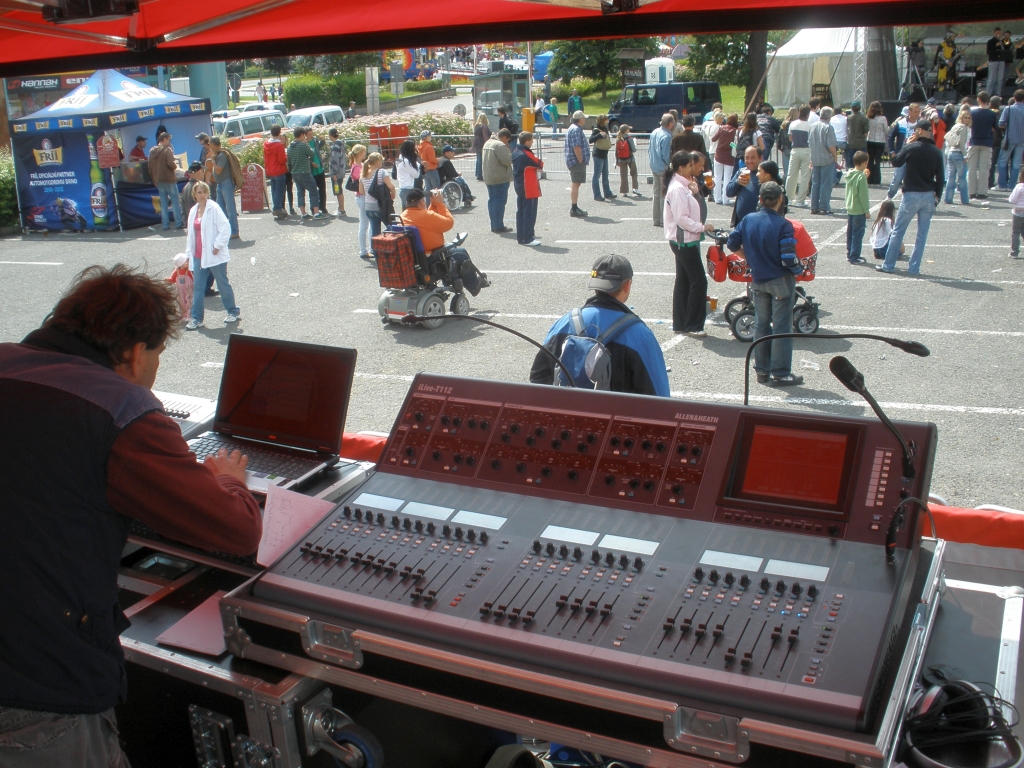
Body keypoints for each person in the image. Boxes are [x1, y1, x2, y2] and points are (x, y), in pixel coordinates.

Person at [0, 265, 261, 768]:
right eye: (159, 354)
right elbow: (238, 530)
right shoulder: (121, 408)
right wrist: (227, 479)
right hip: (37, 687)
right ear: (135, 351)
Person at [529, 255, 670, 397]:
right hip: (613, 417)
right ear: (628, 285)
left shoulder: (564, 323)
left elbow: (538, 376)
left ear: (593, 283)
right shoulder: (639, 335)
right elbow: (658, 396)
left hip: (566, 415)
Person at [726, 181, 803, 387]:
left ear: (760, 199)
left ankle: (761, 370)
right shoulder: (784, 225)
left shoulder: (749, 219)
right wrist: (798, 269)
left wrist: (748, 258)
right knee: (781, 328)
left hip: (758, 280)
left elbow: (732, 242)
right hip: (781, 281)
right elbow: (788, 257)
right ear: (780, 200)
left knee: (761, 325)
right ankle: (780, 372)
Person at [878, 119, 945, 276]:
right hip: (929, 195)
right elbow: (940, 177)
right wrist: (938, 197)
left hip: (911, 195)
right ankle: (914, 268)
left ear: (920, 131)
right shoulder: (936, 151)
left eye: (916, 130)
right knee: (922, 235)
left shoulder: (912, 147)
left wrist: (905, 145)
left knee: (898, 231)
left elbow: (896, 162)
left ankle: (888, 265)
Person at [664, 151, 715, 335]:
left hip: (684, 240)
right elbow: (682, 219)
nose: (696, 169)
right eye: (691, 166)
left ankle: (681, 322)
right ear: (682, 167)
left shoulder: (684, 184)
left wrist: (697, 193)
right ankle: (693, 324)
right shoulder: (678, 187)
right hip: (683, 240)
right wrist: (702, 227)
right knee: (698, 281)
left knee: (684, 280)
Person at [400, 188, 486, 294]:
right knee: (461, 253)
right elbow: (448, 223)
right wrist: (440, 203)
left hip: (413, 261)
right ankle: (474, 286)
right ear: (422, 202)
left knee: (449, 254)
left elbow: (428, 219)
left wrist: (433, 205)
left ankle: (454, 282)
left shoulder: (403, 217)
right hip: (430, 260)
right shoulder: (426, 216)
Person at [186, 181, 240, 329]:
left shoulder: (214, 208)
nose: (202, 195)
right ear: (194, 195)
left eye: (204, 192)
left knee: (222, 284)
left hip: (214, 255)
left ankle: (232, 311)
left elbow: (225, 228)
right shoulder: (193, 211)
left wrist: (217, 245)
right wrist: (187, 255)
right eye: (199, 192)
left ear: (208, 193)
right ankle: (197, 318)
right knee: (198, 287)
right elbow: (190, 235)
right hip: (198, 256)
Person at [511, 131, 543, 247]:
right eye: (531, 140)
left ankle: (521, 237)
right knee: (529, 212)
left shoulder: (515, 152)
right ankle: (528, 237)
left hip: (520, 185)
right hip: (528, 186)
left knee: (521, 212)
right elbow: (539, 163)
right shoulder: (525, 154)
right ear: (526, 141)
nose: (532, 142)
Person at [286, 128, 325, 220]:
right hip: (305, 172)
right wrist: (307, 145)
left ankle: (303, 213)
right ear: (301, 135)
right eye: (303, 135)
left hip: (295, 172)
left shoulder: (289, 147)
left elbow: (289, 161)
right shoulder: (303, 145)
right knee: (313, 191)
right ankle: (316, 213)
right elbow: (312, 154)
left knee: (300, 192)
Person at [361, 152, 395, 254]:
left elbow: (361, 191)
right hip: (381, 205)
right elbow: (390, 186)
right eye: (381, 160)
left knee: (375, 232)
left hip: (368, 206)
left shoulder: (363, 173)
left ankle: (376, 254)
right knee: (391, 227)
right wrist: (393, 193)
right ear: (377, 161)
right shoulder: (381, 172)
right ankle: (393, 250)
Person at [149, 132, 183, 231]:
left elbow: (149, 167)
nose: (169, 142)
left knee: (163, 203)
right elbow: (171, 164)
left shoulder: (152, 151)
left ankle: (165, 225)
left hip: (158, 180)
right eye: (168, 139)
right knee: (175, 201)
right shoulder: (167, 150)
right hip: (169, 178)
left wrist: (154, 179)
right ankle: (178, 223)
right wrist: (175, 166)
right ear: (164, 139)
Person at [887, 103, 921, 199]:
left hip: (915, 157)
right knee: (897, 179)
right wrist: (892, 152)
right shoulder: (901, 123)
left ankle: (907, 198)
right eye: (915, 111)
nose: (917, 113)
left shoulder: (921, 124)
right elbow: (890, 137)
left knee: (911, 179)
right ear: (909, 112)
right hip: (902, 155)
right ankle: (889, 197)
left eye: (918, 111)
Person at [482, 127, 514, 232]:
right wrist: (508, 150)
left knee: (492, 201)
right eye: (507, 140)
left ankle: (494, 224)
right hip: (500, 177)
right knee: (499, 202)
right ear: (504, 137)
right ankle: (498, 225)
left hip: (489, 176)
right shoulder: (500, 145)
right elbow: (508, 161)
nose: (507, 142)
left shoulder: (488, 143)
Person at [808, 107, 837, 214]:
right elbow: (831, 145)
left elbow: (810, 143)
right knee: (826, 183)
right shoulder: (828, 127)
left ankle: (814, 206)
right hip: (826, 158)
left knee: (815, 183)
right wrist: (835, 156)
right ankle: (824, 206)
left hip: (815, 157)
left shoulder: (813, 126)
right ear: (829, 116)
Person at [969, 91, 998, 198]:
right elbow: (995, 128)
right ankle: (981, 192)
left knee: (972, 168)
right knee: (984, 169)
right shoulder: (992, 114)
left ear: (979, 99)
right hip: (986, 142)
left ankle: (971, 191)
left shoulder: (973, 113)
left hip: (974, 141)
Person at [726, 145, 762, 226]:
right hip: (740, 223)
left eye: (753, 158)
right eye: (747, 158)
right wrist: (737, 182)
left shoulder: (764, 173)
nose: (749, 161)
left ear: (760, 158)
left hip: (757, 224)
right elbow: (729, 192)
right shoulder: (742, 171)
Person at [845, 151, 871, 264]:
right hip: (859, 210)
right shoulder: (861, 177)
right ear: (864, 163)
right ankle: (854, 257)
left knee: (850, 233)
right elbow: (863, 196)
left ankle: (850, 253)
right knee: (858, 235)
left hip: (850, 208)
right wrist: (867, 210)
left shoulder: (850, 174)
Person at [996, 89, 1024, 192]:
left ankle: (1002, 185)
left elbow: (1001, 124)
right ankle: (1012, 185)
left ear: (1014, 98)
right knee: (1016, 163)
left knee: (1003, 162)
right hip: (1022, 140)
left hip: (1009, 139)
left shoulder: (1008, 109)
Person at [650, 113, 676, 222]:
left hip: (654, 165)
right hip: (662, 167)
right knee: (663, 195)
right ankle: (662, 219)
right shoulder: (667, 136)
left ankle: (656, 218)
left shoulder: (654, 132)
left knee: (656, 194)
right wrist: (671, 164)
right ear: (670, 124)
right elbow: (665, 155)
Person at [565, 111, 591, 218]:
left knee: (576, 183)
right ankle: (574, 208)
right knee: (576, 183)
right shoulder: (576, 130)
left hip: (574, 160)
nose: (585, 120)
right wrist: (580, 160)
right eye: (584, 118)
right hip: (576, 161)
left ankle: (575, 207)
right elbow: (577, 146)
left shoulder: (573, 128)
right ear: (580, 119)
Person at [944, 110, 970, 205]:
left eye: (968, 118)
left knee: (951, 177)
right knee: (962, 177)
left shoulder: (955, 126)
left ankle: (948, 198)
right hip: (959, 153)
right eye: (965, 117)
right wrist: (965, 155)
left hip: (951, 152)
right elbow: (962, 143)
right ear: (961, 117)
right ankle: (965, 200)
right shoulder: (963, 127)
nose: (967, 119)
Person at [712, 114, 739, 206]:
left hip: (719, 154)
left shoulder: (721, 128)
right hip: (729, 156)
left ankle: (717, 198)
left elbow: (713, 139)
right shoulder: (735, 131)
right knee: (727, 177)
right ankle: (725, 199)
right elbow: (735, 145)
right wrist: (731, 144)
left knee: (717, 177)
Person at [348, 144, 370, 258]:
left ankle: (367, 249)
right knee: (364, 224)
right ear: (360, 153)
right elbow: (363, 180)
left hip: (362, 196)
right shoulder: (357, 167)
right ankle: (363, 250)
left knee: (366, 223)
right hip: (362, 196)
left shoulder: (359, 165)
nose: (365, 154)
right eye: (364, 152)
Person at [589, 114, 615, 201]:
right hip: (598, 154)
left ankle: (607, 192)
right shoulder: (596, 129)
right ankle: (597, 194)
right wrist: (599, 135)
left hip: (604, 153)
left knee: (605, 174)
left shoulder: (605, 128)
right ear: (602, 120)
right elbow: (591, 140)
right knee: (597, 175)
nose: (607, 121)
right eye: (606, 120)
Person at [264, 123, 288, 218]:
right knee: (279, 190)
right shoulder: (279, 145)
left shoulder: (266, 143)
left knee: (274, 190)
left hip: (271, 169)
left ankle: (276, 207)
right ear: (279, 132)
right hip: (279, 170)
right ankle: (277, 208)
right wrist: (286, 156)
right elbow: (282, 160)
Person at [866, 101, 889, 185]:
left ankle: (869, 178)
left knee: (870, 159)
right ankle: (876, 179)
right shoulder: (883, 118)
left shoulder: (868, 118)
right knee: (877, 160)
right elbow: (886, 131)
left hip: (870, 139)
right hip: (880, 140)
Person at [307, 128, 328, 219]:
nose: (311, 135)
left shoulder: (315, 140)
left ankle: (322, 206)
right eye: (309, 134)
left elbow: (318, 147)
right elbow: (305, 157)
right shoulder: (305, 144)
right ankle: (313, 208)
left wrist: (322, 141)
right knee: (313, 191)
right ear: (305, 135)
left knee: (322, 189)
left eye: (312, 133)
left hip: (320, 169)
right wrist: (311, 163)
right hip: (311, 170)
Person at [395, 138, 422, 210]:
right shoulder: (406, 162)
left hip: (403, 187)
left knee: (405, 209)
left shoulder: (400, 159)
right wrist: (418, 164)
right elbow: (416, 175)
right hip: (407, 188)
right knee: (410, 210)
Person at [615, 124, 639, 196]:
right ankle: (635, 189)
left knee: (623, 176)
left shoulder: (618, 139)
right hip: (630, 159)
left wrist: (617, 161)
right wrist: (635, 143)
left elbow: (616, 152)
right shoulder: (630, 138)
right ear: (626, 131)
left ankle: (624, 191)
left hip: (621, 159)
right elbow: (634, 150)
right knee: (634, 173)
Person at [328, 127, 347, 216]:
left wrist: (334, 173)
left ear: (331, 135)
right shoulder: (341, 144)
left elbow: (335, 160)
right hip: (342, 170)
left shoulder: (335, 146)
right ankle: (340, 208)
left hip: (337, 172)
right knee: (339, 189)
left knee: (338, 190)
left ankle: (341, 209)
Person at [847, 102, 869, 172]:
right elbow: (866, 133)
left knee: (852, 161)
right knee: (861, 161)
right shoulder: (864, 118)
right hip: (861, 142)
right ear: (859, 108)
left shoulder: (849, 118)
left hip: (851, 142)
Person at [777, 107, 798, 179]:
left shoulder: (784, 124)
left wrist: (779, 146)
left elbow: (779, 136)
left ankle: (785, 182)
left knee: (786, 169)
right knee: (793, 169)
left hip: (784, 147)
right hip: (793, 147)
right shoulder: (795, 124)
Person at [987, 27, 1007, 96]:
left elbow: (1005, 49)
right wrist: (996, 45)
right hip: (993, 61)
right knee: (992, 78)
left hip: (1001, 61)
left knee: (1000, 79)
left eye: (1000, 33)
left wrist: (1002, 42)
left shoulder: (1003, 41)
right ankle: (988, 94)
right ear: (994, 33)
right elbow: (988, 51)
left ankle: (998, 94)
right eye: (997, 33)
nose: (999, 34)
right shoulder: (990, 41)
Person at [1009, 166, 1024, 259]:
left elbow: (1012, 200)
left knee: (1016, 232)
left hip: (1018, 212)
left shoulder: (1019, 187)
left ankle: (1014, 252)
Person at [472, 113, 491, 181]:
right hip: (482, 144)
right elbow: (485, 136)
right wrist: (488, 144)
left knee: (478, 159)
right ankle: (480, 175)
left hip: (477, 143)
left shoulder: (476, 126)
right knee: (481, 160)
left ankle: (477, 173)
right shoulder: (484, 126)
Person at [831, 107, 848, 181]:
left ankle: (834, 179)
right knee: (849, 156)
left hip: (835, 141)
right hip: (844, 141)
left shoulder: (831, 119)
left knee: (833, 160)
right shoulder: (845, 119)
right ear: (841, 112)